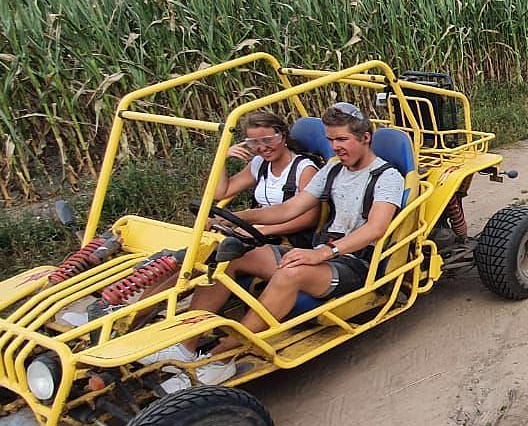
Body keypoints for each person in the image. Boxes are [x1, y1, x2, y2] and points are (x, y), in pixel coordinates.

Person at [144, 102, 407, 391]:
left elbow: (375, 228)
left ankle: (221, 358)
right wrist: (240, 216)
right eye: (331, 140)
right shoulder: (333, 169)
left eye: (342, 139)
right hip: (323, 254)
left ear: (365, 137)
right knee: (230, 254)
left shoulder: (387, 176)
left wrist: (322, 253)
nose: (335, 147)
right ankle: (185, 346)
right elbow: (289, 209)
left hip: (354, 262)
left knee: (291, 272)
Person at [212, 110, 321, 245]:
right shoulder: (259, 164)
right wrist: (221, 158)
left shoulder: (304, 169)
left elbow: (310, 218)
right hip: (260, 232)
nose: (262, 148)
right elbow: (220, 193)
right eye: (254, 143)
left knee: (228, 248)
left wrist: (264, 230)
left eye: (268, 140)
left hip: (289, 239)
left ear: (283, 136)